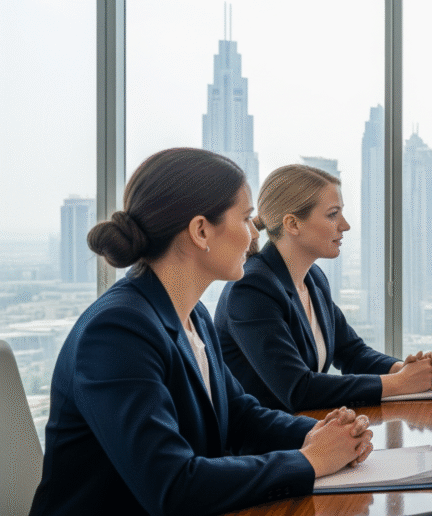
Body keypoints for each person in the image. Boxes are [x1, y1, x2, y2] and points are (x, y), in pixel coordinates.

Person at [31, 148, 374, 516]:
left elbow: (240, 415)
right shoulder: (116, 333)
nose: (253, 237)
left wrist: (318, 434)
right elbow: (173, 486)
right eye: (245, 220)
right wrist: (310, 462)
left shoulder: (193, 315)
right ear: (200, 231)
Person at [215, 164, 432, 412]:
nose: (344, 225)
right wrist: (399, 384)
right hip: (264, 444)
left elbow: (352, 352)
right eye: (333, 214)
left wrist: (404, 370)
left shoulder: (313, 278)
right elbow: (299, 390)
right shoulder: (251, 290)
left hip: (310, 430)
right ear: (292, 224)